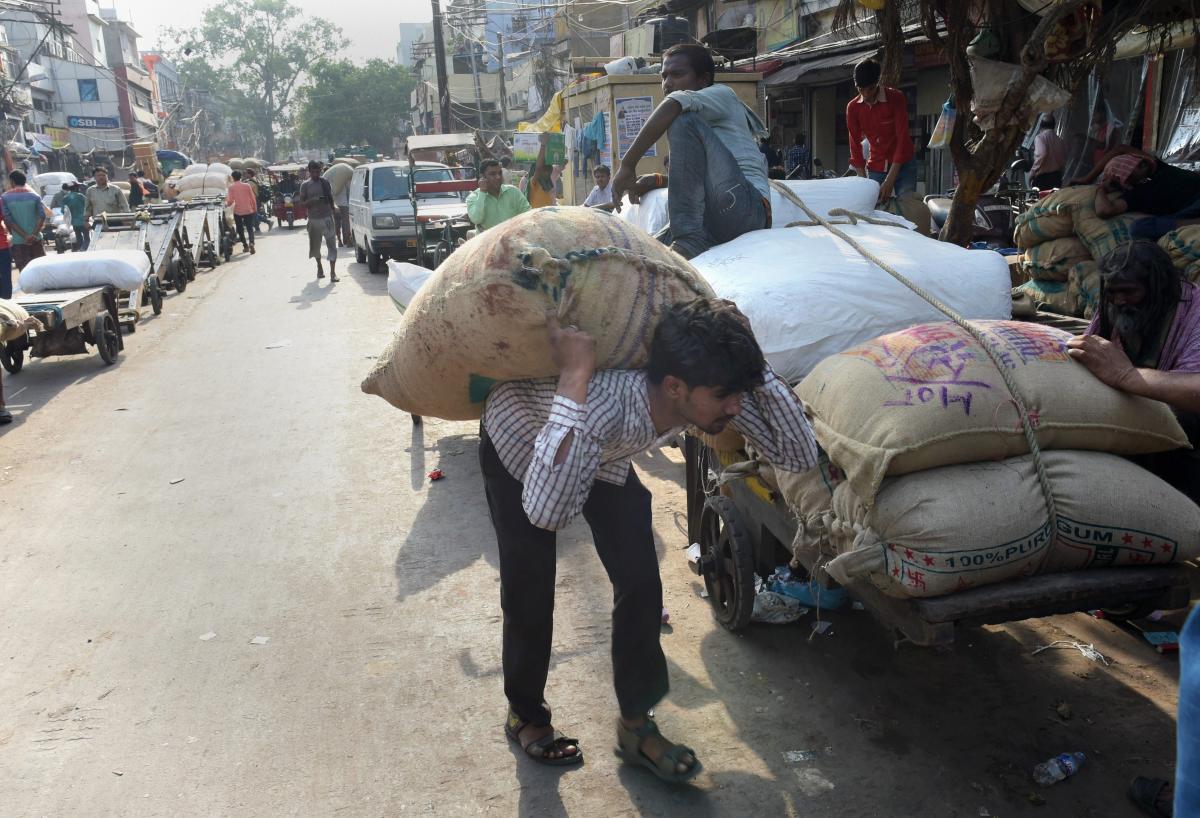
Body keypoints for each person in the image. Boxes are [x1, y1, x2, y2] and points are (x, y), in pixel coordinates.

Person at [480, 297, 817, 778]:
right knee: (530, 589)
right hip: (521, 438)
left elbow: (798, 452)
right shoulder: (603, 404)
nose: (735, 407)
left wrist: (752, 365)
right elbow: (547, 511)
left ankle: (636, 730)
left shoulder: (700, 395)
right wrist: (574, 374)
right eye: (726, 395)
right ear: (676, 387)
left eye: (738, 393)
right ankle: (525, 714)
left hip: (605, 454)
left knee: (640, 584)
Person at [611, 44, 771, 260]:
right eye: (664, 76)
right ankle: (686, 239)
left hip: (747, 208)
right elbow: (704, 179)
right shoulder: (699, 120)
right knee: (637, 256)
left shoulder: (722, 95)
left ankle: (689, 241)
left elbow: (673, 104)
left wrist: (627, 165)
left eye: (677, 74)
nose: (667, 83)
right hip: (713, 219)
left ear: (703, 80)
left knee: (681, 120)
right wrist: (659, 180)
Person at [1067, 241, 1200, 501]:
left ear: (1157, 289)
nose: (1119, 300)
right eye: (1112, 292)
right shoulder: (1113, 304)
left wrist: (1127, 376)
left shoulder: (1193, 312)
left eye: (1129, 292)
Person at [846, 58, 916, 205]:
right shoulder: (853, 108)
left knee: (907, 206)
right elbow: (855, 148)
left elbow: (903, 139)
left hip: (904, 164)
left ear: (877, 82)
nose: (865, 94)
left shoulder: (896, 98)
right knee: (872, 207)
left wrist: (889, 180)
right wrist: (864, 184)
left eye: (870, 89)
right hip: (876, 165)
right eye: (860, 89)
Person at [1093, 152, 1200, 241]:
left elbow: (1120, 148)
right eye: (1130, 171)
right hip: (1190, 210)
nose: (1142, 164)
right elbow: (1104, 210)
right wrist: (1101, 189)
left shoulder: (1160, 167)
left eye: (1140, 163)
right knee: (1140, 228)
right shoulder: (1136, 194)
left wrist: (1087, 179)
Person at [298, 160, 338, 282]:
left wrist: (334, 208)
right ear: (309, 172)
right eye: (314, 172)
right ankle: (319, 267)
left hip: (327, 218)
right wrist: (313, 200)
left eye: (318, 171)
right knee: (316, 247)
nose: (316, 174)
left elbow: (331, 198)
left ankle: (333, 273)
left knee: (332, 246)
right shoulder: (305, 185)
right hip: (314, 220)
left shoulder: (325, 182)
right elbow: (302, 203)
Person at [465, 158, 530, 231]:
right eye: (492, 174)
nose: (498, 177)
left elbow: (528, 214)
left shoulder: (513, 191)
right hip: (488, 240)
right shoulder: (473, 197)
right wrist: (482, 192)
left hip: (513, 238)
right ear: (482, 177)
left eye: (500, 173)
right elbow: (476, 219)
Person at [1, 170, 46, 271]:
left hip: (18, 241)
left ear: (12, 181)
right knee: (41, 269)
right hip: (36, 239)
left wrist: (25, 236)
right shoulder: (35, 196)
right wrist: (33, 235)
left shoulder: (4, 198)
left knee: (24, 271)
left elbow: (8, 220)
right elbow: (42, 216)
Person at [1030, 116, 1067, 190]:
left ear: (1041, 126)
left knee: (1039, 201)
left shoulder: (1040, 138)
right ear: (1054, 125)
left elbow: (1042, 154)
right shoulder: (1060, 140)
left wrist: (1033, 171)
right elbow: (1063, 161)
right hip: (1056, 178)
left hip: (1042, 179)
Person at [226, 170, 257, 255]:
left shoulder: (231, 187)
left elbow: (231, 201)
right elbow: (252, 197)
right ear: (240, 177)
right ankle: (251, 243)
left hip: (238, 211)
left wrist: (227, 205)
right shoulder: (247, 185)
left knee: (240, 230)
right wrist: (254, 208)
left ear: (232, 178)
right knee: (250, 228)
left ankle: (245, 246)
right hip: (248, 209)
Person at [525, 132, 556, 208]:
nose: (548, 173)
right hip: (537, 216)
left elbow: (564, 161)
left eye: (549, 170)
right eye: (546, 170)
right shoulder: (533, 182)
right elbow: (538, 168)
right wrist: (543, 144)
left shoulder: (548, 183)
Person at [62, 183, 88, 251]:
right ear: (76, 188)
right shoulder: (81, 196)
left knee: (78, 236)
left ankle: (80, 249)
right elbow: (88, 206)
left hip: (74, 222)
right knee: (86, 237)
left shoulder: (65, 198)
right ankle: (84, 249)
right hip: (83, 221)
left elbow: (63, 210)